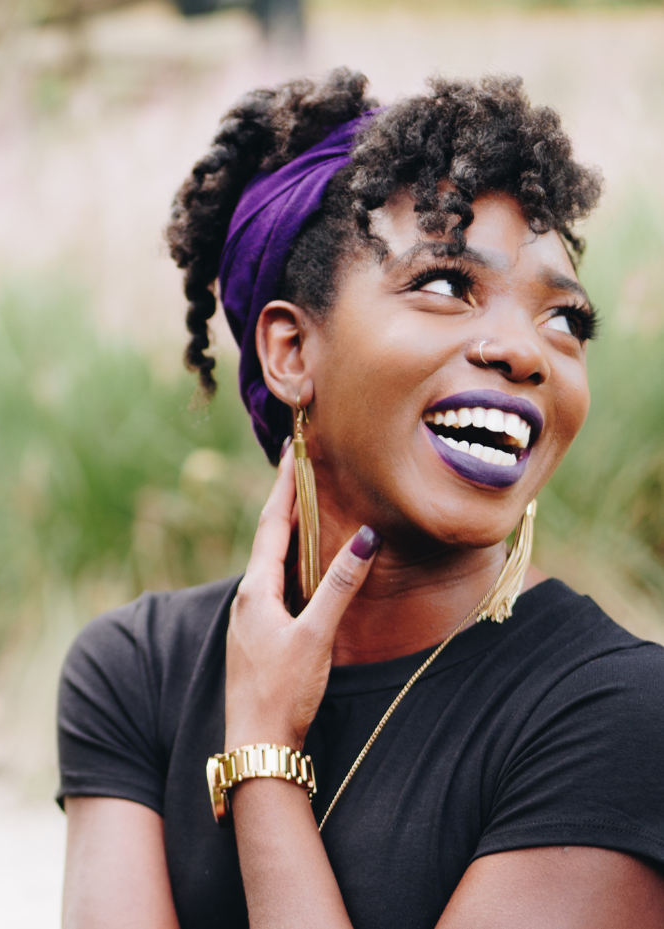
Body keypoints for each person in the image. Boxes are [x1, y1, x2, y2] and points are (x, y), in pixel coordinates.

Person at [57, 69, 664, 928]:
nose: (527, 352)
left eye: (565, 320)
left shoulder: (618, 717)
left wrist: (264, 762)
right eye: (447, 284)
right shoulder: (136, 673)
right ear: (291, 352)